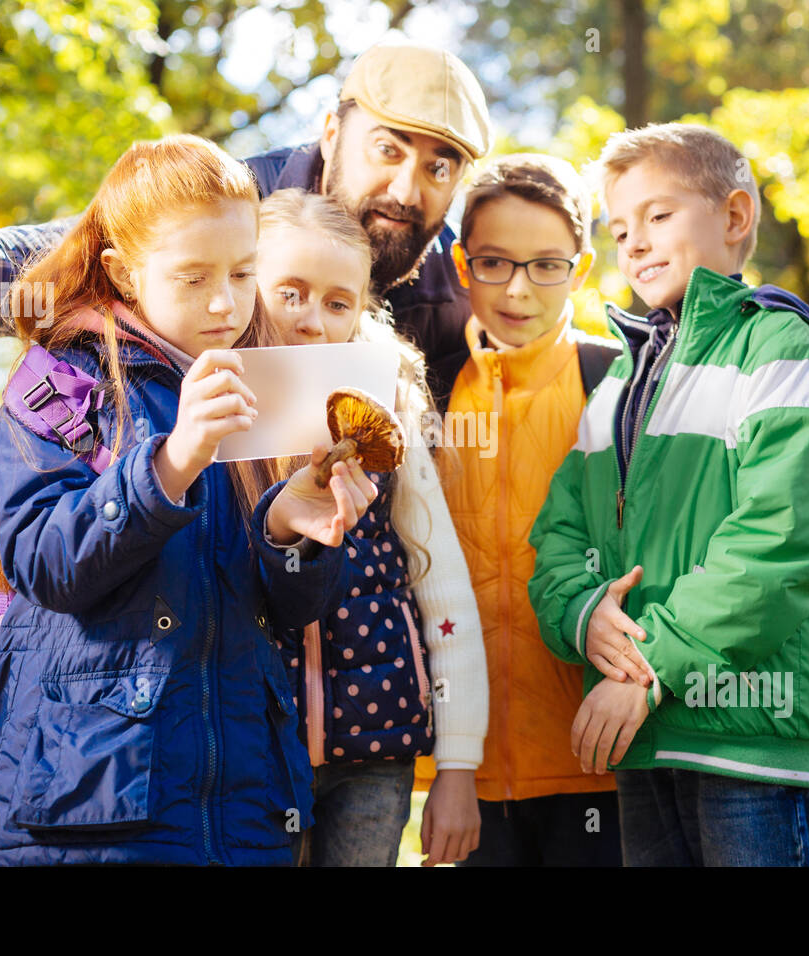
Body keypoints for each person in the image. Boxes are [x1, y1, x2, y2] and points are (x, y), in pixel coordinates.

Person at [0, 134, 378, 865]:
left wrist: (290, 532)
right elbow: (41, 562)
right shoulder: (62, 380)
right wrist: (169, 463)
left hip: (245, 810)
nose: (225, 302)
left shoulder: (269, 383)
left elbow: (288, 614)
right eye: (193, 278)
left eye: (243, 271)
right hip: (91, 808)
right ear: (124, 272)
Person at [0, 42, 493, 409]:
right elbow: (44, 268)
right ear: (331, 130)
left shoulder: (452, 290)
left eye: (441, 166)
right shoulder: (230, 205)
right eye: (388, 149)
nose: (408, 188)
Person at [528, 123, 809, 867]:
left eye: (658, 215)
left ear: (734, 217)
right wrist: (584, 618)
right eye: (619, 229)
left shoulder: (785, 350)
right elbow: (559, 532)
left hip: (745, 731)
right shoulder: (618, 382)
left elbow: (781, 545)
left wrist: (647, 670)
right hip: (644, 738)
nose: (635, 242)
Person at [255, 188, 486, 866]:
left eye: (336, 302)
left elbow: (442, 591)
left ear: (361, 308)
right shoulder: (218, 417)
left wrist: (459, 766)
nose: (311, 321)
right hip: (258, 749)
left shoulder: (391, 411)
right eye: (288, 293)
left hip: (375, 748)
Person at [411, 154, 626, 865]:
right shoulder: (427, 392)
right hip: (462, 769)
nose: (519, 290)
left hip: (599, 756)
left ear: (582, 268)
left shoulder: (617, 382)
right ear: (462, 265)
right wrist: (451, 764)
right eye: (495, 263)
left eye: (546, 266)